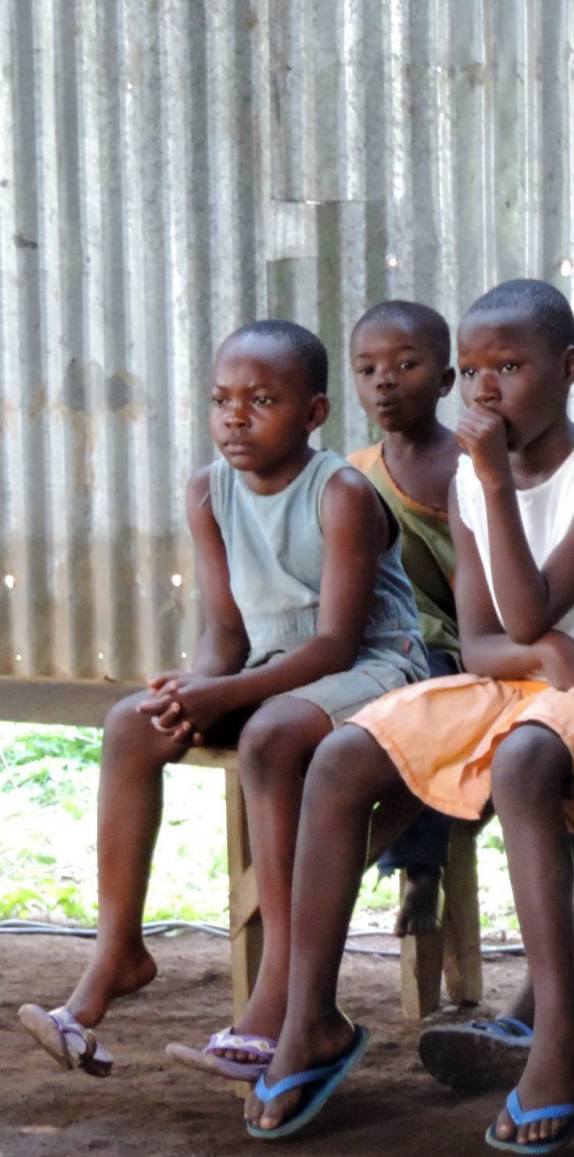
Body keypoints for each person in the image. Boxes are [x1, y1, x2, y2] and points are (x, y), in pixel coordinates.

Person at [243, 280, 574, 1156]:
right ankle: (310, 1020)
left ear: (569, 368)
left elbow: (530, 611)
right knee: (342, 757)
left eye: (510, 368)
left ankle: (559, 1040)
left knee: (525, 764)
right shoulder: (469, 480)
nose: (486, 390)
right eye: (472, 371)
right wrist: (535, 649)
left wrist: (495, 488)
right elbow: (486, 641)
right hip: (523, 679)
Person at [18, 320, 428, 1081]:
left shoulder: (341, 493)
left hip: (376, 665)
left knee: (271, 735)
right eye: (220, 400)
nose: (235, 417)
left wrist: (226, 693)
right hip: (274, 669)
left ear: (313, 413)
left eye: (261, 401)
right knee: (132, 724)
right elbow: (228, 631)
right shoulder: (209, 491)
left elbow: (336, 646)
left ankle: (277, 996)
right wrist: (194, 691)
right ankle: (117, 955)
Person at [345, 299, 464, 937]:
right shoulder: (355, 475)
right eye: (367, 370)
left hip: (453, 646)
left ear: (445, 380)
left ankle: (420, 868)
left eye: (405, 365)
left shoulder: (475, 468)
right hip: (376, 646)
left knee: (424, 709)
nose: (384, 382)